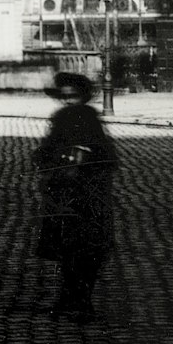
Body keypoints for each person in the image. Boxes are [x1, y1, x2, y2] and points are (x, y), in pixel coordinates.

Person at [33, 70, 120, 319]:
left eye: (73, 96)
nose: (69, 101)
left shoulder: (88, 118)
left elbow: (107, 157)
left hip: (87, 195)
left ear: (83, 96)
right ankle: (68, 299)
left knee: (85, 249)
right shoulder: (62, 118)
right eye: (65, 97)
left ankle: (81, 301)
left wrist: (85, 157)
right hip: (65, 193)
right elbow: (46, 150)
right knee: (68, 249)